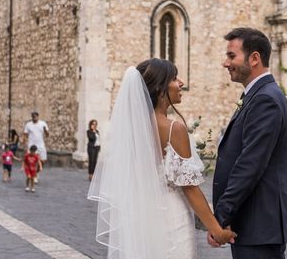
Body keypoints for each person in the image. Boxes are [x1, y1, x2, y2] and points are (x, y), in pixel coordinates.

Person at [88, 60, 235, 258]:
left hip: (142, 218)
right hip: (171, 218)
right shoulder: (174, 128)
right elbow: (189, 187)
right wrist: (217, 230)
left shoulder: (131, 129)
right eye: (174, 78)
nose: (181, 82)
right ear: (159, 87)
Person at [211, 27, 287, 258]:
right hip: (255, 223)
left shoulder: (265, 99)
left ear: (255, 58)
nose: (225, 63)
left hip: (259, 222)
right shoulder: (259, 95)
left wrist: (220, 217)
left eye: (231, 56)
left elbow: (250, 164)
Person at [23, 112, 49, 182]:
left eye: (35, 117)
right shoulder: (28, 124)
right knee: (31, 161)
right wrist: (25, 143)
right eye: (33, 117)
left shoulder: (43, 123)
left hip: (40, 145)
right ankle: (33, 176)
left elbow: (47, 135)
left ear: (38, 116)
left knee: (43, 160)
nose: (34, 118)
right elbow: (25, 134)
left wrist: (45, 130)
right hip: (31, 145)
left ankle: (36, 173)